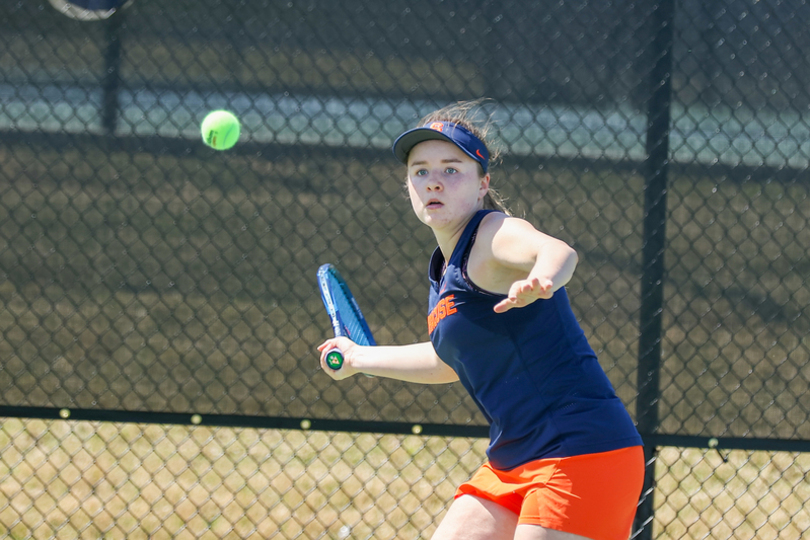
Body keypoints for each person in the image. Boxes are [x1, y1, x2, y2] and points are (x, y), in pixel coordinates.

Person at [317, 100, 644, 540]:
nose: (434, 181)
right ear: (409, 186)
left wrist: (544, 279)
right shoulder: (444, 271)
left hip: (583, 454)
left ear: (482, 184)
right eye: (421, 171)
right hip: (510, 462)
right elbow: (448, 362)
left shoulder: (492, 235)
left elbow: (557, 250)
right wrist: (359, 357)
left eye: (452, 170)